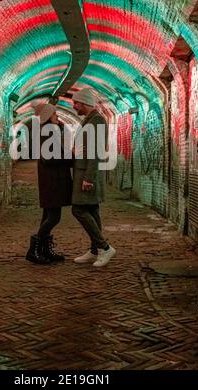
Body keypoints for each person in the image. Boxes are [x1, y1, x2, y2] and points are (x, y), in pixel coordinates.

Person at [71, 88, 116, 267]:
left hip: (87, 173)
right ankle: (95, 250)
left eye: (76, 103)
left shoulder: (97, 121)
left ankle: (105, 248)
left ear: (84, 102)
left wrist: (89, 177)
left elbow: (96, 151)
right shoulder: (89, 120)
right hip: (84, 170)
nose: (74, 106)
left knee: (78, 210)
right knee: (91, 210)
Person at [25, 103, 73, 264]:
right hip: (52, 181)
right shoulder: (47, 134)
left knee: (48, 215)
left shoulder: (50, 131)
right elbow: (49, 158)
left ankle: (44, 249)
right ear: (47, 116)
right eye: (55, 114)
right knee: (54, 217)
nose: (57, 117)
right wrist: (70, 156)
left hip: (51, 179)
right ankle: (34, 249)